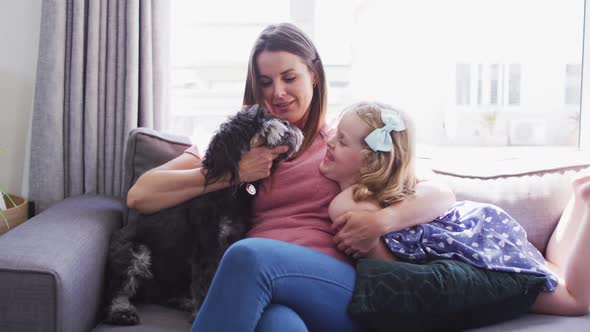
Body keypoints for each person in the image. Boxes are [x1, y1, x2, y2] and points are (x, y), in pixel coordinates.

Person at [128, 23, 455, 331]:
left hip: (332, 285)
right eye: (266, 82)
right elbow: (140, 195)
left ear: (313, 76)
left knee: (248, 255)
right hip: (266, 288)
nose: (277, 93)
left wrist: (384, 221)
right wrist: (232, 174)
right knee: (277, 324)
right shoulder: (233, 146)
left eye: (289, 77)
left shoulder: (342, 145)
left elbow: (441, 195)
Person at [320, 100, 590, 316]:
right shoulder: (388, 189)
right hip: (478, 232)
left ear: (369, 163)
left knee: (574, 302)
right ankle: (580, 198)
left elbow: (391, 269)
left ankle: (587, 201)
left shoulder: (349, 203)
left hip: (477, 253)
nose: (330, 143)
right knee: (552, 269)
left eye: (342, 141)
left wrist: (384, 223)